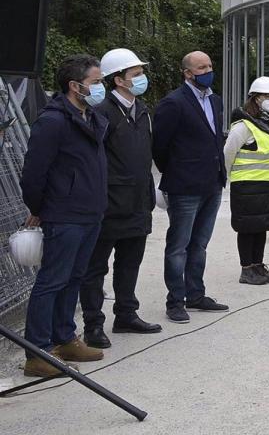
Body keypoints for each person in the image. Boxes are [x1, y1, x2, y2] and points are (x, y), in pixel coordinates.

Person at [20, 55, 108, 377]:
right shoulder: (53, 121)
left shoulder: (93, 118)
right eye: (96, 82)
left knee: (74, 277)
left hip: (90, 213)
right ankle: (37, 352)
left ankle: (65, 337)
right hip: (64, 215)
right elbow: (33, 174)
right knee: (51, 281)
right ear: (75, 86)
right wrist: (40, 209)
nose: (101, 87)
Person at [79, 49, 163, 349]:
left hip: (138, 202)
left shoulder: (142, 109)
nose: (142, 78)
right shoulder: (101, 112)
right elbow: (92, 158)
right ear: (119, 80)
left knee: (130, 263)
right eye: (136, 74)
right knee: (96, 267)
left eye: (141, 72)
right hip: (109, 204)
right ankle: (93, 325)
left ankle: (126, 314)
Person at [153, 51, 229, 324]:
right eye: (201, 67)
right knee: (178, 246)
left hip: (212, 184)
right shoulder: (173, 104)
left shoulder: (215, 101)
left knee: (200, 244)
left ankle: (196, 294)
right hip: (184, 187)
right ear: (187, 73)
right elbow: (160, 147)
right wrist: (176, 172)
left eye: (210, 65)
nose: (208, 70)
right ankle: (175, 301)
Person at [223, 77, 269, 285]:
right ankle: (246, 269)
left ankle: (258, 266)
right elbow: (228, 153)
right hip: (247, 186)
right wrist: (225, 177)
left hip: (268, 185)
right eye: (266, 96)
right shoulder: (243, 126)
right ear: (255, 99)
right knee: (247, 228)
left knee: (262, 226)